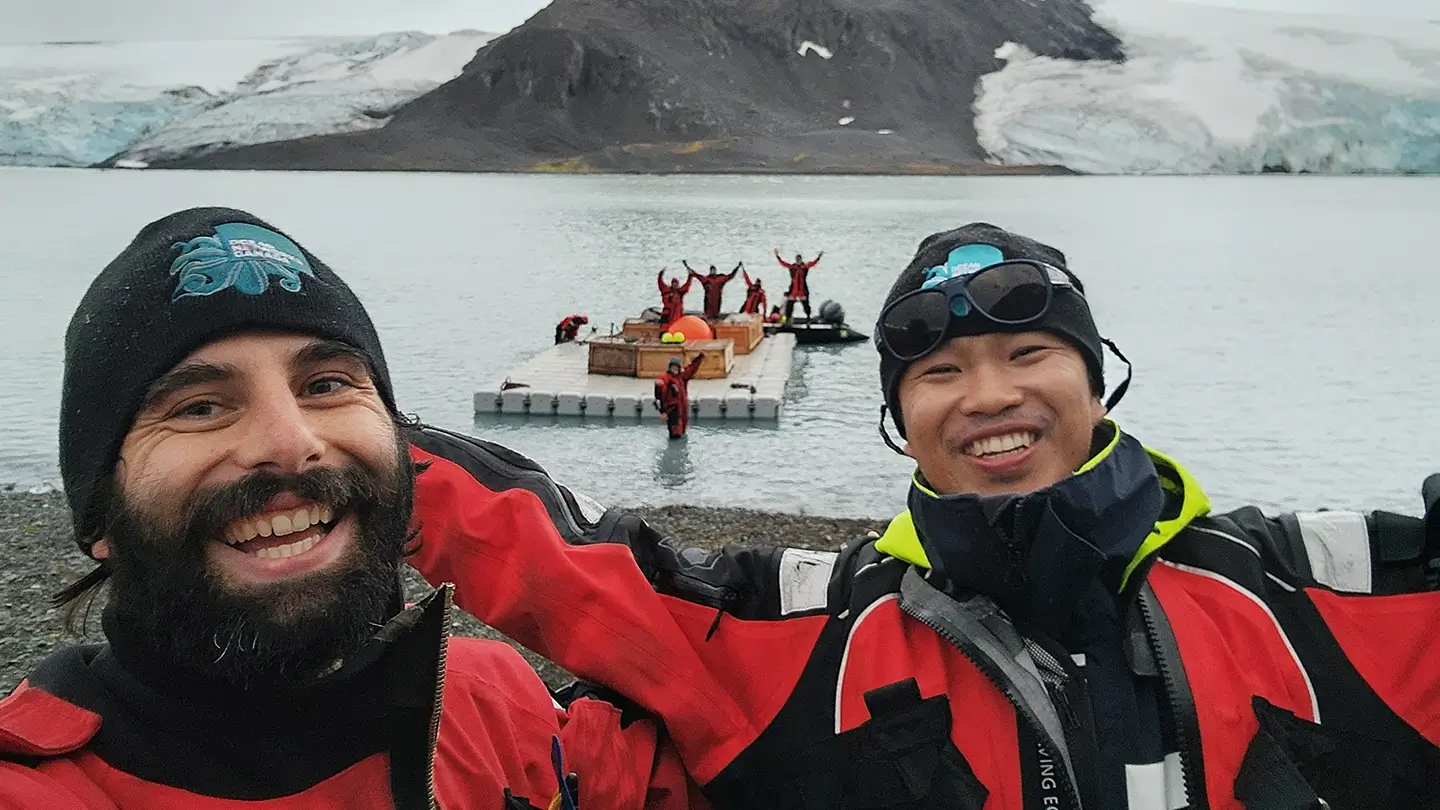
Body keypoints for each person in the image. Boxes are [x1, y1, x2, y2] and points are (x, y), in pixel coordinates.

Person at [401, 223, 1440, 810]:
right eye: (940, 371)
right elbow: (566, 564)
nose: (988, 395)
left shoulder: (1311, 594)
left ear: (1099, 381)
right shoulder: (808, 638)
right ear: (900, 418)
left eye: (1029, 355)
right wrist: (328, 445)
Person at [0, 207, 701, 810]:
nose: (291, 442)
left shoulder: (497, 707)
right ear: (100, 518)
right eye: (200, 406)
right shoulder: (36, 783)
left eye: (327, 383)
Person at [653, 355, 705, 439]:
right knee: (675, 434)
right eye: (673, 366)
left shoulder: (682, 376)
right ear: (669, 367)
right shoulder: (665, 378)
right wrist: (662, 412)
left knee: (683, 431)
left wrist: (699, 358)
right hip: (672, 410)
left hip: (683, 409)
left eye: (676, 367)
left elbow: (691, 369)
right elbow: (658, 397)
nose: (675, 369)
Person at [774, 249, 822, 324]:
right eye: (797, 260)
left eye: (799, 259)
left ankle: (808, 318)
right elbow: (784, 264)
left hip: (802, 290)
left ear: (801, 260)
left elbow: (812, 264)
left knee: (806, 304)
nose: (798, 261)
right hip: (794, 290)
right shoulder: (793, 267)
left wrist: (818, 257)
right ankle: (787, 319)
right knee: (790, 305)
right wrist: (777, 256)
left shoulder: (805, 267)